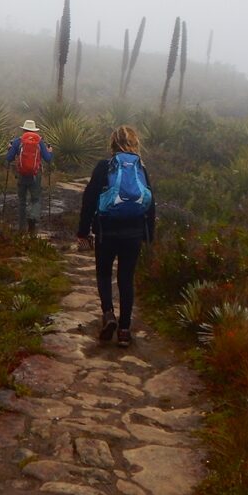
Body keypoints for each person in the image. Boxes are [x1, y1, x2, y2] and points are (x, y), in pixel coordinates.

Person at [77, 125, 155, 347]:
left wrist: (83, 231)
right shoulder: (141, 167)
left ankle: (108, 314)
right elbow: (151, 202)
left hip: (106, 230)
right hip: (134, 232)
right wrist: (149, 234)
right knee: (126, 279)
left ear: (112, 144)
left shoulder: (104, 166)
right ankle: (124, 330)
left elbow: (89, 199)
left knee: (103, 274)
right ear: (135, 143)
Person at [6, 119, 53, 233]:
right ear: (34, 130)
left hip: (22, 175)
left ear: (24, 130)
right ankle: (33, 217)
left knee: (22, 201)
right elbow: (48, 159)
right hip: (35, 176)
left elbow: (9, 158)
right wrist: (50, 151)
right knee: (36, 199)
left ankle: (22, 229)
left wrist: (10, 149)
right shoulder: (39, 142)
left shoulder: (18, 141)